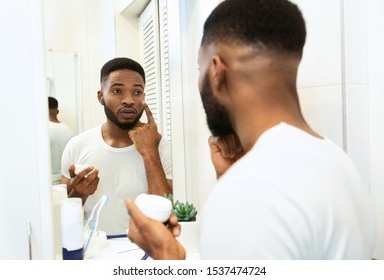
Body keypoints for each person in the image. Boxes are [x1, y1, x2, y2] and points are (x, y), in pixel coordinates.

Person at [125, 0, 377, 259]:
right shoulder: (340, 164)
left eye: (200, 69)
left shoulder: (248, 193)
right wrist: (231, 177)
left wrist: (167, 257)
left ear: (216, 71)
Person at [60, 58, 172, 235]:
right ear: (100, 96)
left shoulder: (162, 148)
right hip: (94, 251)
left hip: (147, 251)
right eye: (117, 90)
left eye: (137, 92)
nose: (128, 100)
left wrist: (150, 153)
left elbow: (167, 214)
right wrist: (80, 193)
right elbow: (62, 212)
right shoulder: (77, 145)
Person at [48, 96, 74, 185]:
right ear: (57, 111)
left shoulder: (42, 131)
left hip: (48, 182)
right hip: (65, 182)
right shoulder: (69, 131)